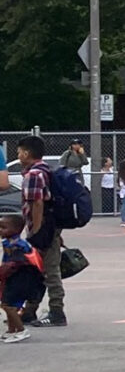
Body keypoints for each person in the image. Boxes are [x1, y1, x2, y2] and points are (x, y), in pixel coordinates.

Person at [12, 140, 68, 328]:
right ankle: (29, 311)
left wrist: (35, 230)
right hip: (49, 227)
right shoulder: (45, 170)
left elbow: (37, 203)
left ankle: (57, 312)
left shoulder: (34, 174)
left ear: (27, 153)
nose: (18, 155)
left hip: (42, 229)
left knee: (49, 271)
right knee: (36, 270)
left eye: (19, 152)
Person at [0, 214, 39, 343]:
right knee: (9, 304)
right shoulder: (8, 243)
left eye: (4, 227)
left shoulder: (19, 245)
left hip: (20, 280)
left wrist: (6, 269)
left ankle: (21, 330)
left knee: (8, 305)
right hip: (11, 279)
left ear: (17, 230)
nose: (0, 230)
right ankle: (11, 330)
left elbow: (17, 263)